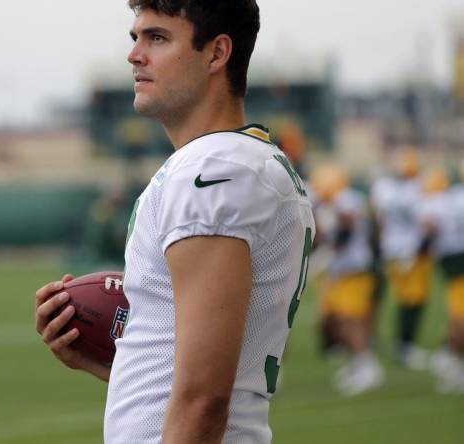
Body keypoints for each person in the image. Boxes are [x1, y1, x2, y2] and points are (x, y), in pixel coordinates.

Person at [34, 1, 315, 442]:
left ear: (217, 53)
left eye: (157, 38)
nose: (134, 54)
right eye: (135, 38)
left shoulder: (210, 172)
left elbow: (205, 400)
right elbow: (211, 378)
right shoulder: (244, 162)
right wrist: (112, 360)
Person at [310, 164, 383, 395]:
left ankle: (367, 365)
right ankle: (356, 363)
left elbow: (347, 227)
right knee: (337, 320)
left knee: (351, 319)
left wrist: (328, 249)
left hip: (354, 269)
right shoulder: (333, 202)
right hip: (340, 270)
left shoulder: (346, 199)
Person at [370, 148, 431, 369]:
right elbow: (426, 222)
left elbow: (379, 220)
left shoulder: (384, 188)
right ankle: (405, 346)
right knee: (412, 300)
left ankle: (375, 339)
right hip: (411, 251)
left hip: (390, 250)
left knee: (386, 297)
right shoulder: (418, 188)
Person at [419, 167, 464, 393]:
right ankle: (452, 358)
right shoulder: (451, 198)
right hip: (456, 265)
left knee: (459, 318)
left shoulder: (447, 199)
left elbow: (429, 226)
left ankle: (451, 356)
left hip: (455, 263)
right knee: (459, 317)